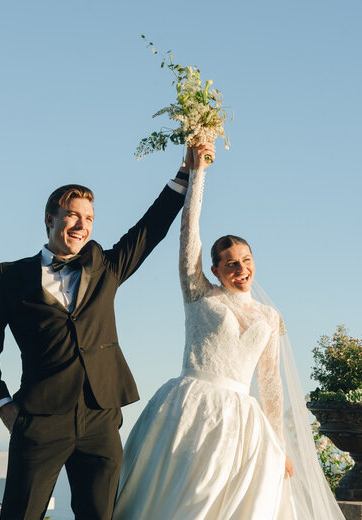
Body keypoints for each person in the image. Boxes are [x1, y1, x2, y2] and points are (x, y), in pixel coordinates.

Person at [113, 144, 346, 520]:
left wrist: (280, 446)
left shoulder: (269, 317)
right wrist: (198, 173)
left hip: (241, 421)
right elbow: (189, 232)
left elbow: (271, 387)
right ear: (216, 270)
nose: (241, 268)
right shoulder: (199, 293)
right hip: (188, 408)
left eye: (247, 261)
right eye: (231, 263)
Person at [0, 160, 190, 520]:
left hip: (100, 417)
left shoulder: (106, 267)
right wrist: (2, 406)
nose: (82, 225)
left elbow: (149, 229)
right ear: (50, 219)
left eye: (88, 218)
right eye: (72, 215)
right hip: (39, 419)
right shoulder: (11, 277)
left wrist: (185, 173)